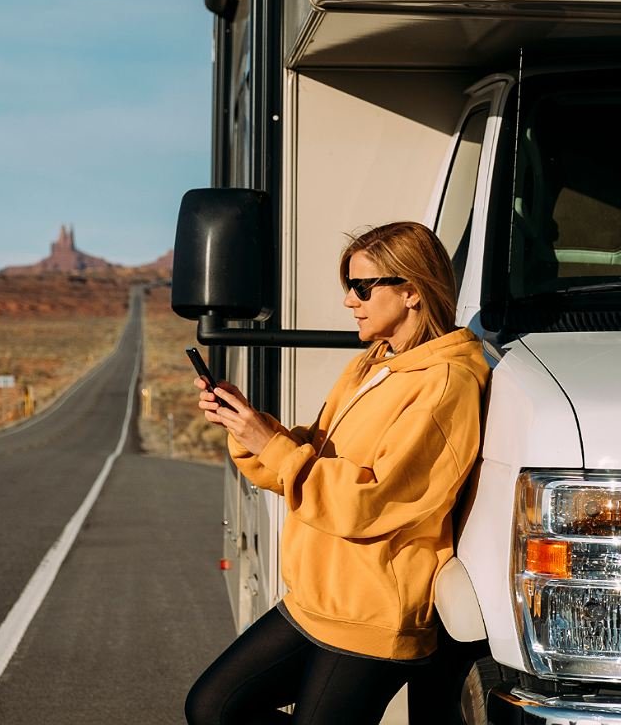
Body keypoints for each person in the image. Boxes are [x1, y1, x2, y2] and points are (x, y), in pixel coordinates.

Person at [184, 221, 490, 725]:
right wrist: (250, 429)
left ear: (412, 290)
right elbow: (313, 457)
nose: (350, 300)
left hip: (371, 611)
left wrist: (271, 444)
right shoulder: (373, 364)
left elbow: (372, 502)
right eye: (348, 286)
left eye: (363, 287)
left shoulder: (445, 386)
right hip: (316, 599)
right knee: (213, 707)